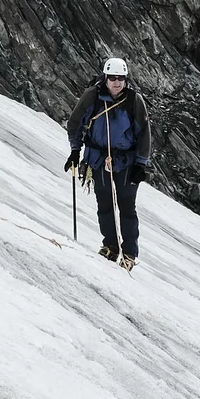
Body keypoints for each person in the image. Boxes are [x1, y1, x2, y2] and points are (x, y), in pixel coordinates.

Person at [64, 57, 152, 269]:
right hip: (97, 159)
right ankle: (111, 246)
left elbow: (144, 133)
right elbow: (75, 124)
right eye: (113, 78)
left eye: (121, 78)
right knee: (105, 204)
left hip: (126, 162)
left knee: (126, 207)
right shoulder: (92, 96)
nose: (117, 82)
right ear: (105, 77)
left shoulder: (133, 100)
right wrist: (75, 151)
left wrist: (141, 164)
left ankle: (129, 253)